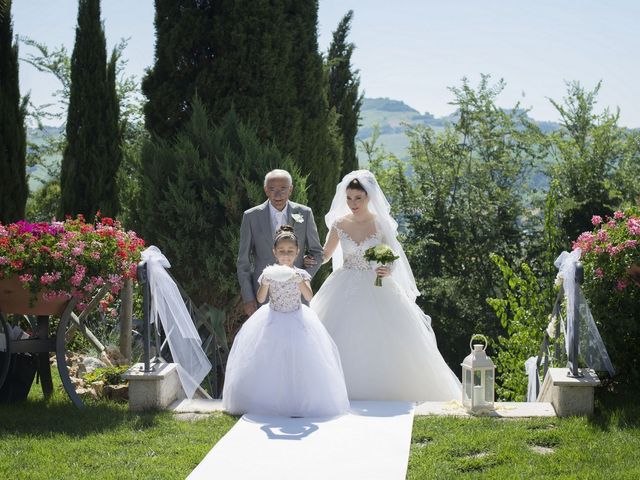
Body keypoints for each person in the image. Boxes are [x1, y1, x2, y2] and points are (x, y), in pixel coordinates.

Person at [310, 170, 461, 402]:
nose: (352, 203)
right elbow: (327, 254)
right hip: (345, 283)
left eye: (358, 198)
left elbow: (393, 256)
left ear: (368, 197)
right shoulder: (339, 224)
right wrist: (310, 258)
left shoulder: (380, 224)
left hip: (376, 284)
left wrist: (387, 269)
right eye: (349, 198)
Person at [223, 225, 349, 417]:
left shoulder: (301, 274)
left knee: (298, 360)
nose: (286, 255)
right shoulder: (269, 273)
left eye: (290, 251)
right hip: (273, 319)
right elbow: (260, 298)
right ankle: (270, 400)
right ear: (274, 252)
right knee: (270, 359)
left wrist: (299, 280)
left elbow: (308, 295)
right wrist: (264, 283)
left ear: (297, 252)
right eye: (281, 251)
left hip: (297, 319)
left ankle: (298, 400)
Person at [237, 169, 323, 317]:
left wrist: (303, 277)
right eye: (272, 189)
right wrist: (248, 297)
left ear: (290, 189)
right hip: (264, 295)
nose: (278, 194)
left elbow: (317, 253)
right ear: (265, 190)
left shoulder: (305, 213)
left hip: (297, 297)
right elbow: (243, 261)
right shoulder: (251, 216)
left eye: (283, 189)